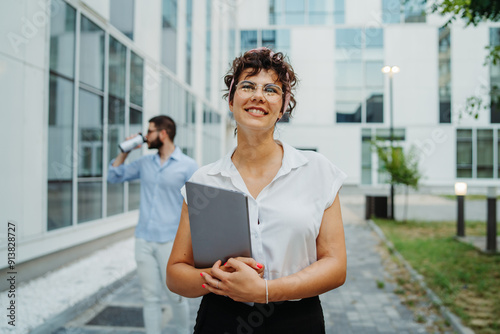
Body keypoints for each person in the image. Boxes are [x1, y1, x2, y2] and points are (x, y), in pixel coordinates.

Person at [166, 48, 347, 333]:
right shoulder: (205, 180)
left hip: (297, 320)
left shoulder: (316, 169)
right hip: (221, 318)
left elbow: (335, 266)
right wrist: (213, 277)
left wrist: (265, 291)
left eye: (271, 89)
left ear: (283, 106)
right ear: (230, 100)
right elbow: (176, 274)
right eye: (247, 86)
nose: (258, 96)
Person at [108, 115, 197, 334]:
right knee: (150, 298)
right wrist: (125, 151)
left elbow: (198, 205)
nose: (145, 137)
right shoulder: (145, 163)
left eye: (149, 132)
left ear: (163, 134)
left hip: (171, 242)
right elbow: (114, 176)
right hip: (144, 240)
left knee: (176, 297)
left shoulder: (188, 166)